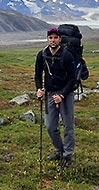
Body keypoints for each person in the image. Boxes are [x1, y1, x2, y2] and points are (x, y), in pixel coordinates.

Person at [35, 27, 77, 168]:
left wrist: (62, 95)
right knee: (50, 126)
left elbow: (72, 80)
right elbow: (37, 74)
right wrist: (39, 89)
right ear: (47, 39)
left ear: (60, 39)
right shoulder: (42, 54)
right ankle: (60, 150)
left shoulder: (67, 55)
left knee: (68, 126)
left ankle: (67, 156)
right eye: (50, 37)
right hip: (50, 93)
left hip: (65, 93)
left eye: (55, 37)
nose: (53, 40)